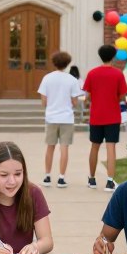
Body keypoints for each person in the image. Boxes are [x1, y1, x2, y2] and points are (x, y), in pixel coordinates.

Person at [82, 44, 127, 191]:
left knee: (94, 147)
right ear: (113, 56)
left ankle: (92, 179)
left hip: (96, 116)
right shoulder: (118, 74)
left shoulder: (92, 73)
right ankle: (109, 181)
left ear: (100, 56)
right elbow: (122, 96)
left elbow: (87, 97)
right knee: (111, 148)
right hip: (113, 116)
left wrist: (94, 99)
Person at [37, 50, 81, 188]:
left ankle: (47, 176)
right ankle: (61, 178)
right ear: (67, 63)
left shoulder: (47, 78)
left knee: (50, 147)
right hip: (67, 118)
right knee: (64, 148)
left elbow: (43, 101)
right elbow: (75, 102)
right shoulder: (72, 80)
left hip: (51, 117)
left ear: (54, 62)